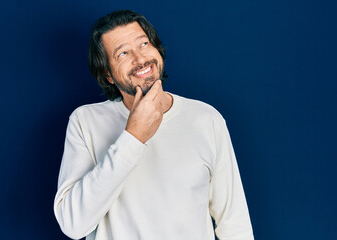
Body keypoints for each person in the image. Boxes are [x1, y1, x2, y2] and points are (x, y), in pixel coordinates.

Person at [54, 9, 254, 240]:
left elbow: (235, 225)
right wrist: (133, 137)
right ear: (108, 74)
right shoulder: (85, 122)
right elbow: (73, 225)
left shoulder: (206, 119)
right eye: (123, 53)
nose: (140, 59)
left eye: (144, 44)